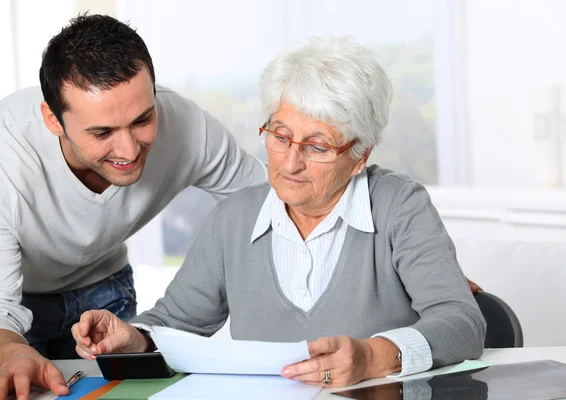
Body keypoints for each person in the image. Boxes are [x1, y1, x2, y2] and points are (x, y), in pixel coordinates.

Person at [73, 36, 486, 389]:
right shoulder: (232, 219)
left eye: (318, 147)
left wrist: (373, 357)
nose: (290, 163)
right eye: (280, 136)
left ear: (361, 155)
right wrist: (133, 338)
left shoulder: (400, 205)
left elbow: (462, 324)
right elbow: (174, 325)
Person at [0, 14, 266, 399]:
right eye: (102, 133)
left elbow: (267, 206)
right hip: (18, 305)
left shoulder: (189, 127)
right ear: (52, 120)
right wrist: (9, 349)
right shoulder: (7, 153)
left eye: (142, 119)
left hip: (108, 291)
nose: (129, 150)